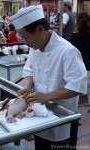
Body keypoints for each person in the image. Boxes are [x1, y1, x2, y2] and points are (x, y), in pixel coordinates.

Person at [10, 5, 87, 150]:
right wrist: (27, 86)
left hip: (61, 121)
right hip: (39, 117)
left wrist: (46, 96)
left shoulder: (67, 51)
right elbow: (29, 70)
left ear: (40, 29)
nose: (25, 42)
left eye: (26, 37)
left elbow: (78, 86)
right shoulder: (35, 47)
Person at [67, 12, 90, 113]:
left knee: (73, 97)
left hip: (76, 73)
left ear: (77, 23)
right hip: (89, 71)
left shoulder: (72, 38)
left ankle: (74, 117)